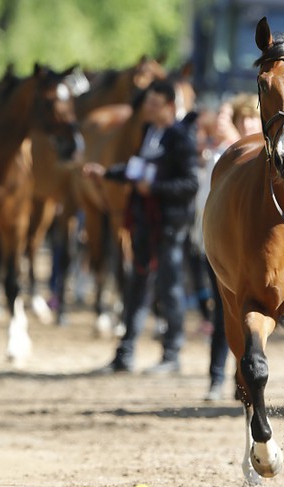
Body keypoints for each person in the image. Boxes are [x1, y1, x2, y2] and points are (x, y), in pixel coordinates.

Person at [83, 80, 199, 374]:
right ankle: (125, 354)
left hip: (170, 225)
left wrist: (156, 188)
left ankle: (171, 355)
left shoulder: (181, 139)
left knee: (169, 288)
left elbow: (190, 184)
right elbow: (137, 169)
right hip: (145, 223)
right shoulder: (149, 133)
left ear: (169, 107)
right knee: (136, 284)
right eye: (147, 103)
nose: (147, 109)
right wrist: (107, 174)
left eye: (154, 104)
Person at [194, 100, 242, 400]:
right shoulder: (215, 151)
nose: (221, 121)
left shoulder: (240, 153)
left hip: (236, 244)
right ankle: (217, 376)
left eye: (228, 117)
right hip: (213, 241)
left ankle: (239, 377)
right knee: (223, 311)